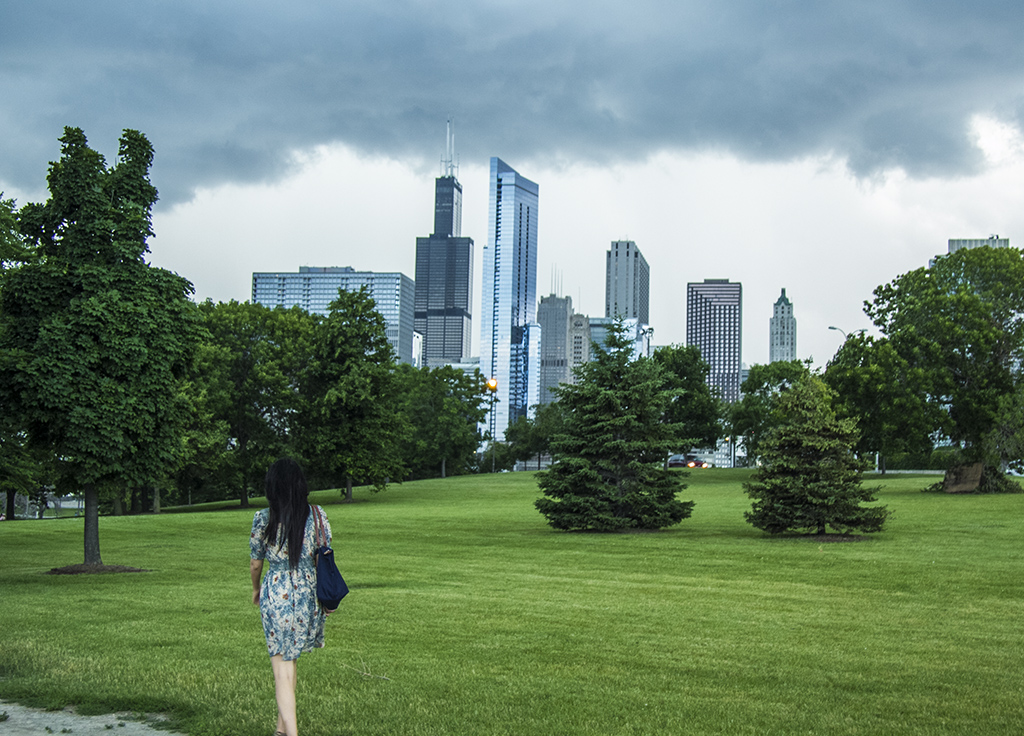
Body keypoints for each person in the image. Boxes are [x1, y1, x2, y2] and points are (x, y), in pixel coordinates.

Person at [250, 458, 334, 736]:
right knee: (290, 661)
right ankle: (280, 730)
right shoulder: (317, 514)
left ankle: (292, 733)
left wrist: (255, 589)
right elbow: (325, 552)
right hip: (309, 593)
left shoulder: (264, 518)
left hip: (277, 590)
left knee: (282, 669)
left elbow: (255, 564)